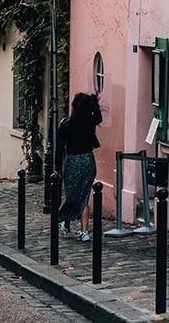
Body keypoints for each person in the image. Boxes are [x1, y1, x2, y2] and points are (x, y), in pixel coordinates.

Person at [55, 92, 102, 242]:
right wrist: (94, 103)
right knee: (84, 196)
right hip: (88, 160)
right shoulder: (90, 121)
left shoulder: (66, 124)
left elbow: (60, 148)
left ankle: (65, 223)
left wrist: (57, 167)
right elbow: (99, 117)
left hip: (72, 162)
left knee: (72, 194)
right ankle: (83, 231)